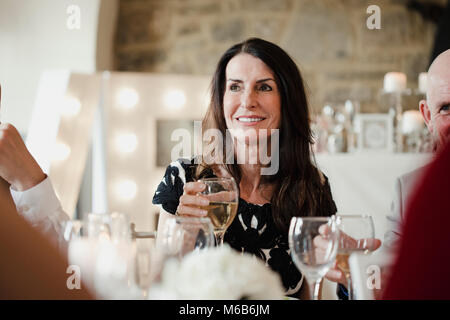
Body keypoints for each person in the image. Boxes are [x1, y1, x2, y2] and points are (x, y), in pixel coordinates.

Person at [152, 38, 339, 299]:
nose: (247, 101)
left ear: (287, 100)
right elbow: (159, 288)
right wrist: (184, 236)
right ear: (221, 98)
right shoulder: (184, 178)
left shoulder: (311, 186)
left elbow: (313, 293)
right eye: (235, 87)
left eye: (264, 87)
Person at [384, 48, 450, 248]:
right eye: (446, 108)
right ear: (428, 116)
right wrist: (352, 274)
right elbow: (388, 272)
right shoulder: (409, 191)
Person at [382, 141, 450, 299]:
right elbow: (388, 275)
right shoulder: (408, 187)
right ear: (428, 118)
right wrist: (351, 277)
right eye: (446, 114)